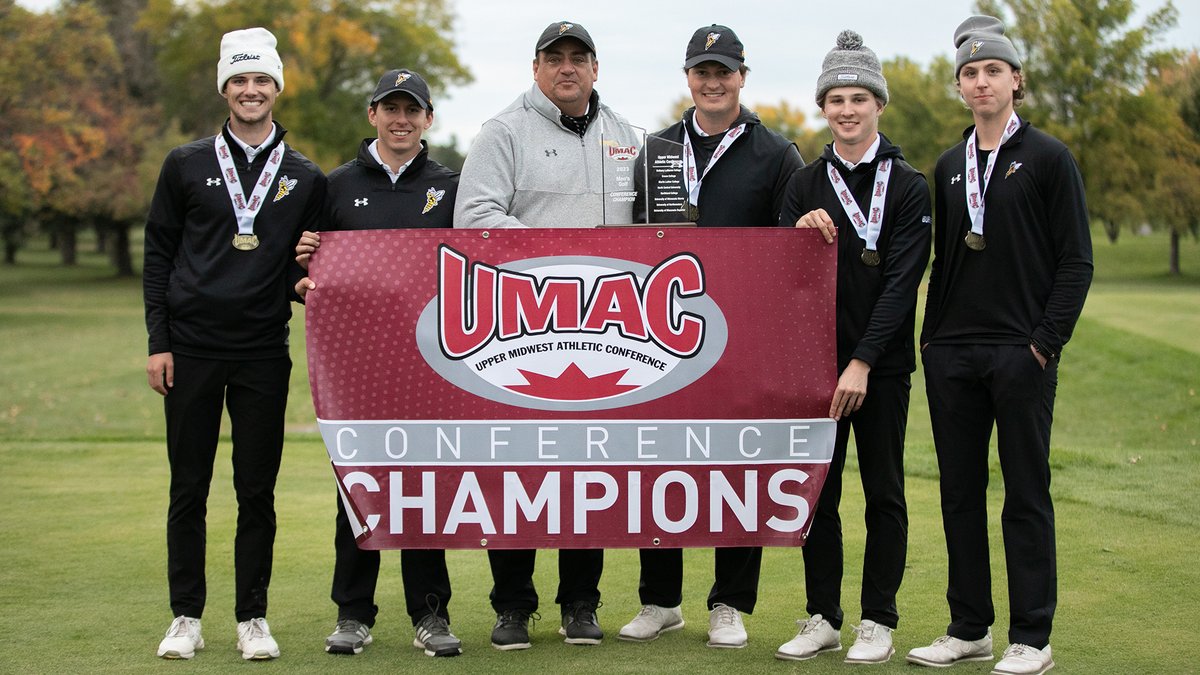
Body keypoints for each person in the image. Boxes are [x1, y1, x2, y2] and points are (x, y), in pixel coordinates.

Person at [906, 16, 1092, 675]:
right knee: (958, 492)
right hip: (953, 353)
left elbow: (1076, 263)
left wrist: (1043, 344)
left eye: (993, 71)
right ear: (959, 87)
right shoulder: (951, 165)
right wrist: (932, 341)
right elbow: (948, 262)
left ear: (1016, 80)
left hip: (1021, 353)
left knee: (1025, 492)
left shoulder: (1048, 157)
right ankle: (969, 627)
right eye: (969, 73)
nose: (981, 82)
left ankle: (1032, 637)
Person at [453, 20, 641, 649]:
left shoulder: (628, 136)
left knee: (588, 470)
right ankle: (512, 606)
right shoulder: (503, 132)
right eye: (554, 58)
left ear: (595, 68)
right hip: (522, 328)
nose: (567, 68)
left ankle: (581, 603)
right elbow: (474, 215)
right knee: (518, 472)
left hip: (607, 329)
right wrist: (560, 255)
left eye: (578, 58)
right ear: (535, 68)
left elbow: (653, 222)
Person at [144, 27, 326, 661]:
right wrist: (158, 342)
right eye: (239, 80)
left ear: (277, 88)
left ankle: (253, 616)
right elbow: (159, 256)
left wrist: (308, 280)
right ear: (225, 88)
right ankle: (185, 617)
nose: (251, 91)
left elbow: (306, 268)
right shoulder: (185, 163)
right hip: (190, 349)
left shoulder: (304, 176)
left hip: (261, 351)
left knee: (257, 489)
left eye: (262, 80)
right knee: (188, 486)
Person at [619, 24, 804, 649]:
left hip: (742, 337)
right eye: (703, 70)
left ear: (742, 77)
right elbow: (631, 238)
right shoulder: (657, 149)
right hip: (660, 334)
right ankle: (660, 599)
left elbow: (790, 253)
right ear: (688, 78)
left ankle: (729, 603)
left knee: (737, 463)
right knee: (658, 460)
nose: (713, 80)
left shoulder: (777, 153)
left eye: (724, 70)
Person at [771, 30, 929, 665]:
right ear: (823, 107)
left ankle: (878, 621)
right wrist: (796, 233)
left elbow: (902, 284)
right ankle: (822, 616)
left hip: (881, 368)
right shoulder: (805, 184)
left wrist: (862, 360)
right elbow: (779, 275)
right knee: (820, 495)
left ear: (878, 105)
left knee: (885, 492)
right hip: (816, 370)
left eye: (859, 96)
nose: (846, 109)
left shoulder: (910, 185)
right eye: (835, 97)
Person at [293, 69, 462, 658]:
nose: (401, 119)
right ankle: (352, 614)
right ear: (372, 115)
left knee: (424, 487)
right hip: (356, 364)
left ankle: (431, 615)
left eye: (412, 110)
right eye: (390, 108)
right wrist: (303, 274)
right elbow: (302, 262)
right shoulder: (336, 185)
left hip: (431, 364)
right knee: (356, 488)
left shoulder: (450, 185)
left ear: (428, 119)